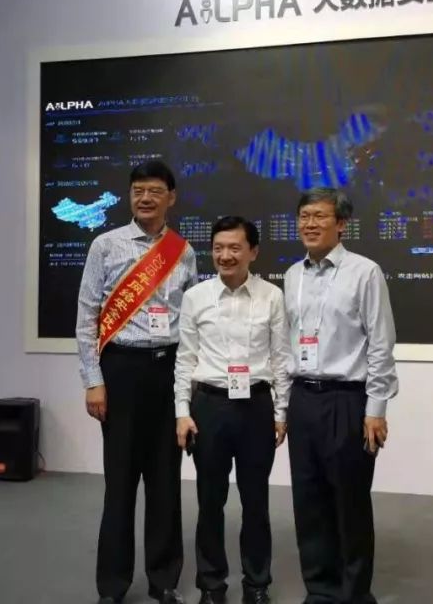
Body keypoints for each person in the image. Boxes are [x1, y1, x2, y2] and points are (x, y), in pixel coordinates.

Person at [76, 159, 198, 604]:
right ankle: (112, 585)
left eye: (154, 191)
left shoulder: (183, 252)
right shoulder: (105, 245)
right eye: (138, 191)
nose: (145, 198)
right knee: (120, 482)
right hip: (121, 370)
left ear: (171, 197)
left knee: (166, 481)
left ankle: (163, 579)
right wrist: (93, 380)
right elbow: (87, 317)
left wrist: (188, 387)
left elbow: (192, 321)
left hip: (168, 370)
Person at [283, 188, 398, 604]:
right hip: (303, 397)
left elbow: (381, 344)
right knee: (308, 500)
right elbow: (288, 343)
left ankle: (354, 593)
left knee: (349, 501)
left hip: (347, 400)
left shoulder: (365, 272)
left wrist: (376, 409)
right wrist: (283, 406)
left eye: (319, 216)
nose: (310, 224)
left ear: (342, 224)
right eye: (304, 216)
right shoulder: (292, 275)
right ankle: (320, 590)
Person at [175, 216, 291, 604]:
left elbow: (280, 358)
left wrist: (280, 412)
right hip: (208, 406)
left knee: (256, 502)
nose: (225, 255)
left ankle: (257, 584)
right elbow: (185, 359)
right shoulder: (196, 297)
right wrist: (182, 411)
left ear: (253, 252)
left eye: (234, 248)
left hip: (256, 406)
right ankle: (212, 585)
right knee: (210, 501)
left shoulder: (272, 296)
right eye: (218, 248)